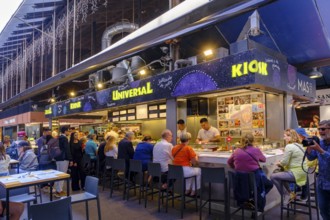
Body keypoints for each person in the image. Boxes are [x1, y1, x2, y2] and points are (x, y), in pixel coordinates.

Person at [227, 133, 273, 211]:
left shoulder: (237, 150)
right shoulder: (256, 150)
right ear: (253, 141)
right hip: (254, 179)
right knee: (269, 184)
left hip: (240, 181)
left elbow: (229, 162)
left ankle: (249, 199)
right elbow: (264, 160)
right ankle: (256, 198)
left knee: (251, 185)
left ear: (241, 141)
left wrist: (237, 168)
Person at [270, 129, 307, 205]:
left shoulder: (289, 146)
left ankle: (287, 195)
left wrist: (279, 163)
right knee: (281, 176)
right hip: (303, 173)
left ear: (290, 137)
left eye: (285, 136)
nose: (284, 138)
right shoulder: (299, 145)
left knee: (273, 176)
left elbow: (284, 162)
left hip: (296, 174)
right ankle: (290, 193)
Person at [306, 120, 330, 220]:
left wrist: (320, 149)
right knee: (323, 209)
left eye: (323, 129)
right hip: (321, 183)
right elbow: (311, 158)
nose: (320, 131)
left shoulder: (320, 146)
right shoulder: (320, 143)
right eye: (319, 129)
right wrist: (309, 148)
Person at [54, 126, 72, 198]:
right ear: (65, 131)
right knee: (62, 174)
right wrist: (70, 159)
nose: (69, 132)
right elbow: (67, 149)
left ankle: (57, 189)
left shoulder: (58, 138)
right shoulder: (64, 139)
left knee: (58, 174)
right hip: (64, 158)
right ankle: (59, 191)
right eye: (68, 131)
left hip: (58, 158)